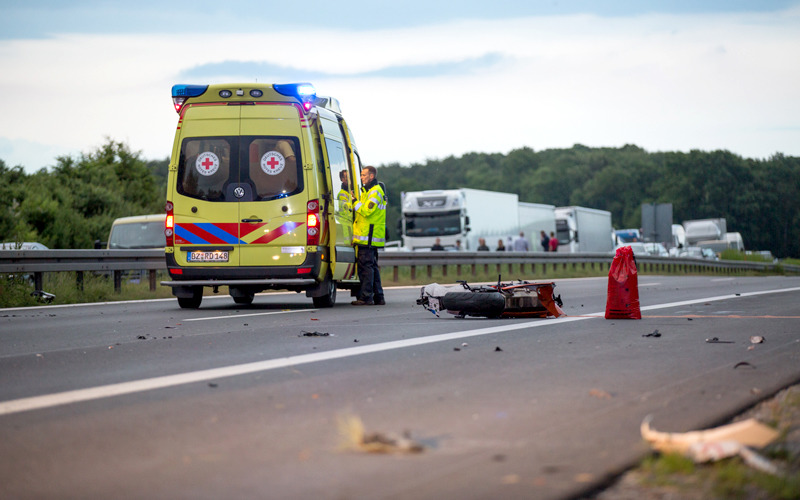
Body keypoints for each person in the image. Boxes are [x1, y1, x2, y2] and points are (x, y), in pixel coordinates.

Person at [351, 166, 386, 306]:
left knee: (366, 268)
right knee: (372, 268)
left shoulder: (375, 192)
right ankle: (379, 297)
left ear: (371, 176)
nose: (361, 177)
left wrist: (354, 202)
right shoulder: (369, 191)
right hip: (368, 236)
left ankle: (366, 297)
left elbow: (366, 211)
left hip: (369, 237)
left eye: (363, 175)